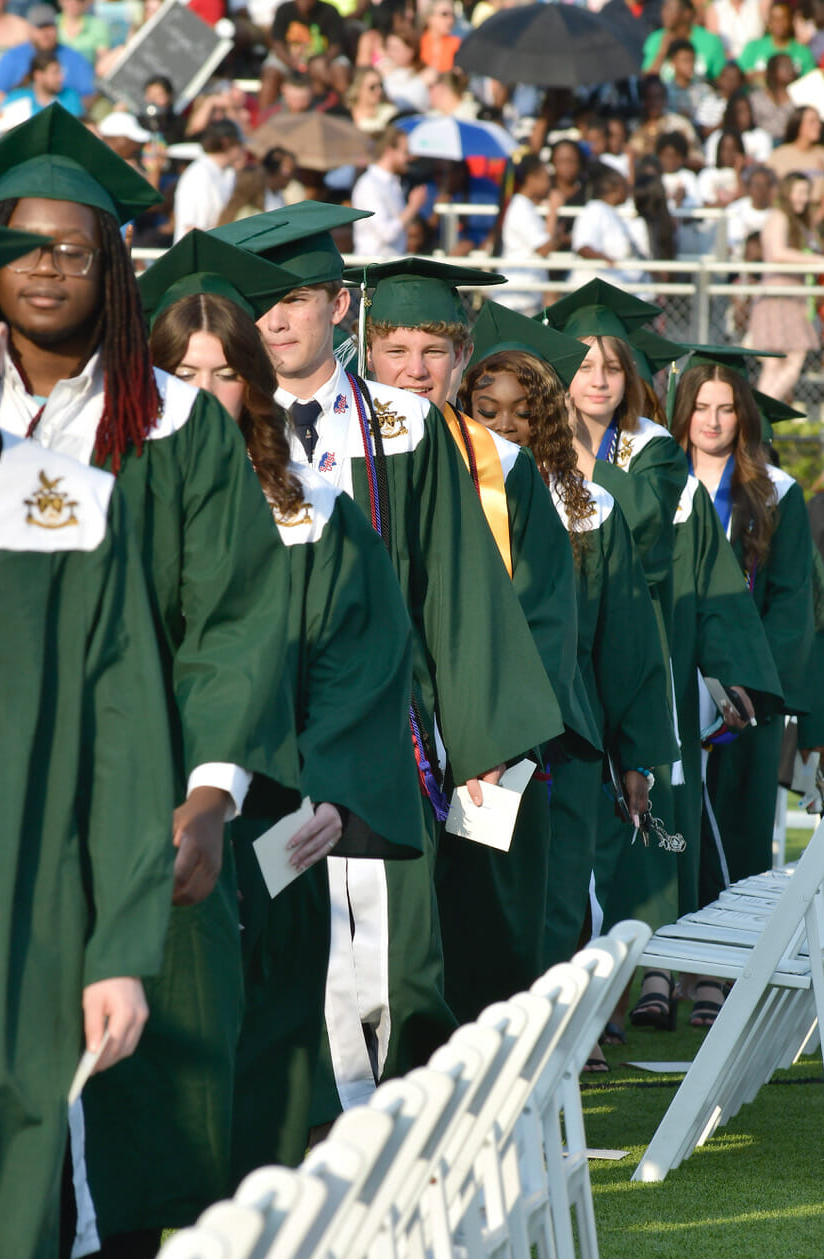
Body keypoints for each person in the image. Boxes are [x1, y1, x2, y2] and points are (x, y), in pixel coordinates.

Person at [0, 104, 303, 1259]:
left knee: (127, 1118)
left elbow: (234, 621)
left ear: (116, 268)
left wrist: (207, 791)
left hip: (127, 807)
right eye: (24, 245)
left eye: (76, 247)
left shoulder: (178, 423)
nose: (48, 268)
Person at [211, 200, 563, 1116]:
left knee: (403, 965)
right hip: (253, 733)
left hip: (384, 733)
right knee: (276, 953)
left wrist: (483, 733)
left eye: (292, 300)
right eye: (257, 306)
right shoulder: (215, 426)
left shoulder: (405, 430)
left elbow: (457, 588)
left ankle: (406, 1145)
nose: (274, 322)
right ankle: (289, 1155)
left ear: (337, 303)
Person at [140, 228, 426, 1182]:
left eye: (225, 374)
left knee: (267, 1035)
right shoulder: (101, 501)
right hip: (135, 800)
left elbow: (363, 662)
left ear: (255, 383)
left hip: (278, 807)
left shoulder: (311, 507)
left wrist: (335, 795)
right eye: (182, 370)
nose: (204, 392)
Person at [0, 214, 174, 1259]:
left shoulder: (70, 511)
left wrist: (120, 945)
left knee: (5, 1171)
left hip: (17, 923)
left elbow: (125, 741)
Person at [350, 256, 601, 1021]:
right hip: (363, 714)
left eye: (434, 351)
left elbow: (540, 611)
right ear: (366, 352)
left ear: (462, 357)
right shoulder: (332, 452)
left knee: (479, 919)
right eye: (396, 350)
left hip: (477, 731)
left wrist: (489, 728)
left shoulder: (506, 464)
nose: (415, 369)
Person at [459, 301, 675, 1006]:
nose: (503, 426)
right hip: (466, 734)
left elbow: (625, 643)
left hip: (566, 735)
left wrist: (634, 755)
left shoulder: (589, 508)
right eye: (486, 410)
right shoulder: (442, 494)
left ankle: (554, 1033)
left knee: (557, 896)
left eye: (521, 412)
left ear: (546, 418)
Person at [540, 280, 688, 964]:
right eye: (582, 364)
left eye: (611, 365)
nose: (597, 379)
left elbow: (648, 530)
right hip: (559, 645)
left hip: (630, 635)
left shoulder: (650, 447)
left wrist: (576, 460)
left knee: (623, 821)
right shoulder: (528, 443)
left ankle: (628, 968)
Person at [670, 360, 814, 891]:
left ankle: (719, 970)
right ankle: (666, 958)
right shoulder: (658, 486)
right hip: (673, 684)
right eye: (701, 407)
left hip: (745, 696)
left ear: (743, 416)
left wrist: (751, 685)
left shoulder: (777, 493)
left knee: (737, 830)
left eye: (726, 408)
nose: (712, 421)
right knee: (669, 830)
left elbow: (790, 604)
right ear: (683, 413)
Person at [748, 171, 824, 402]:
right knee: (785, 361)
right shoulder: (778, 216)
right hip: (778, 295)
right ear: (787, 192)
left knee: (783, 364)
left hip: (794, 297)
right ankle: (759, 414)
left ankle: (758, 417)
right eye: (799, 192)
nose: (803, 197)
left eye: (806, 192)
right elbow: (777, 254)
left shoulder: (799, 222)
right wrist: (818, 262)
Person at [493, 152, 562, 316]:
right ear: (531, 179)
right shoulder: (521, 208)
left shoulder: (524, 206)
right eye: (545, 178)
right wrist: (554, 211)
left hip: (524, 295)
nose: (549, 183)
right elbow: (544, 248)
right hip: (517, 298)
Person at [0, 2, 94, 106]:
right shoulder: (13, 56)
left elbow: (89, 94)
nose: (45, 34)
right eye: (40, 28)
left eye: (50, 27)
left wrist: (69, 111)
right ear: (30, 30)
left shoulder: (74, 58)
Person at [351, 124, 428, 256]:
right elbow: (386, 233)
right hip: (372, 267)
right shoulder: (370, 185)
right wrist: (412, 207)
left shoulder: (391, 183)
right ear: (389, 151)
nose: (409, 158)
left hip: (386, 264)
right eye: (405, 152)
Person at [258, 0, 349, 111]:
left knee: (338, 71)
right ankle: (263, 118)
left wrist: (323, 61)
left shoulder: (330, 11)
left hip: (323, 58)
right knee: (270, 73)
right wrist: (291, 62)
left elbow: (335, 46)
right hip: (288, 57)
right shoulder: (284, 10)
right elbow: (277, 44)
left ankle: (345, 112)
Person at [569, 167, 650, 290]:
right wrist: (611, 262)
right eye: (625, 186)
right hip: (597, 293)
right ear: (616, 189)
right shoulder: (594, 209)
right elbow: (583, 247)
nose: (629, 191)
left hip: (620, 289)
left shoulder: (611, 212)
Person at [171, 119, 244, 241]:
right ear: (226, 142)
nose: (242, 149)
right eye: (239, 144)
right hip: (195, 255)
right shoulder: (198, 174)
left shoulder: (228, 174)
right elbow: (190, 229)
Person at [642, 0, 727, 83]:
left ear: (687, 13)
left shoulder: (710, 41)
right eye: (663, 9)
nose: (664, 13)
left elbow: (721, 80)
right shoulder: (656, 39)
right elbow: (647, 81)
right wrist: (662, 51)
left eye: (670, 9)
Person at [0, 48, 84, 125]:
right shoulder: (16, 99)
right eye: (55, 73)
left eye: (60, 72)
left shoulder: (70, 97)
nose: (61, 78)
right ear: (38, 75)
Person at [737, 1, 815, 83]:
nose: (779, 23)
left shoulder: (803, 52)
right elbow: (739, 76)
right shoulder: (753, 47)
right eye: (775, 18)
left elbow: (810, 83)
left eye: (783, 18)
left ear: (790, 20)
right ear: (769, 21)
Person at [768, 106, 824, 202]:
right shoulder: (780, 155)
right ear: (798, 125)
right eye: (812, 121)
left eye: (818, 121)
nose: (818, 125)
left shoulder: (821, 153)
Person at [748, 53, 796, 144]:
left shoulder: (799, 97)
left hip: (789, 144)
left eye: (791, 66)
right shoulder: (756, 98)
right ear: (773, 70)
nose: (790, 70)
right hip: (762, 144)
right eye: (785, 66)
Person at [56, 0, 110, 65]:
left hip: (88, 72)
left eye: (79, 0)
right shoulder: (52, 23)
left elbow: (104, 58)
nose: (73, 2)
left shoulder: (97, 25)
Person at [419, 0, 460, 72]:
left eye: (452, 15)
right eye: (444, 14)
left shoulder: (457, 44)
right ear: (429, 17)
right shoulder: (416, 44)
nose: (450, 20)